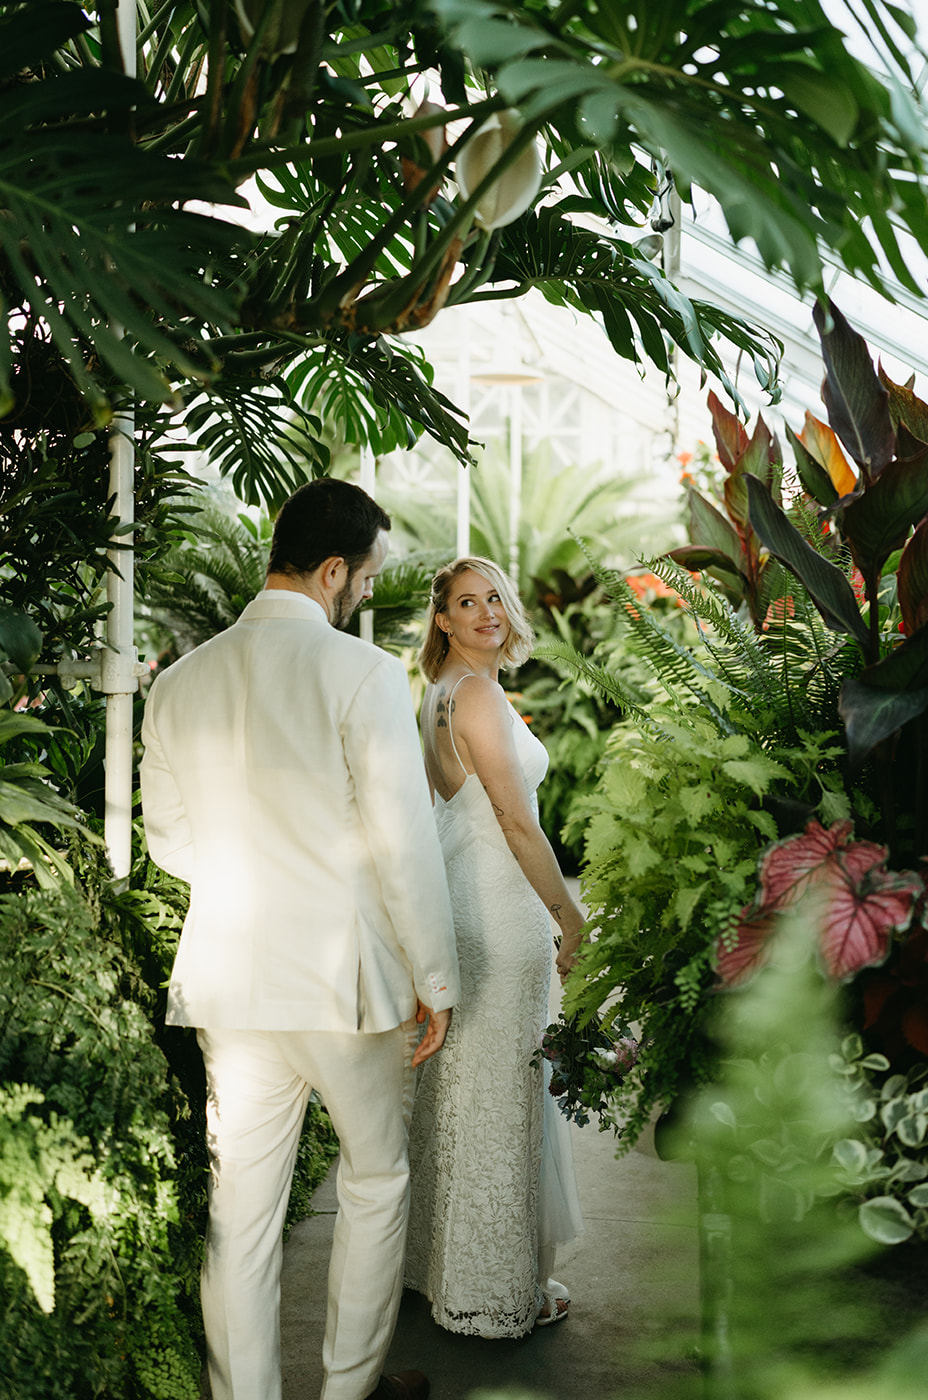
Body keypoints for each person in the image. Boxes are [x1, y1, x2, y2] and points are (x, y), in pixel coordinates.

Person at [140, 479, 460, 1400]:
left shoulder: (182, 679)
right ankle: (344, 1390)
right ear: (332, 570)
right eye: (363, 578)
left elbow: (171, 843)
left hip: (230, 981)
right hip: (342, 984)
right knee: (373, 1179)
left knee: (240, 1215)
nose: (363, 594)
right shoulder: (358, 674)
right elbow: (403, 846)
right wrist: (435, 978)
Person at [404, 556, 585, 1339]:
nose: (487, 613)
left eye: (494, 599)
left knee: (459, 1098)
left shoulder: (437, 695)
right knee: (503, 1102)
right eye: (467, 603)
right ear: (441, 619)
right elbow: (516, 823)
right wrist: (566, 915)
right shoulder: (474, 695)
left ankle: (438, 1270)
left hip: (460, 908)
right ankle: (494, 1291)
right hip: (503, 914)